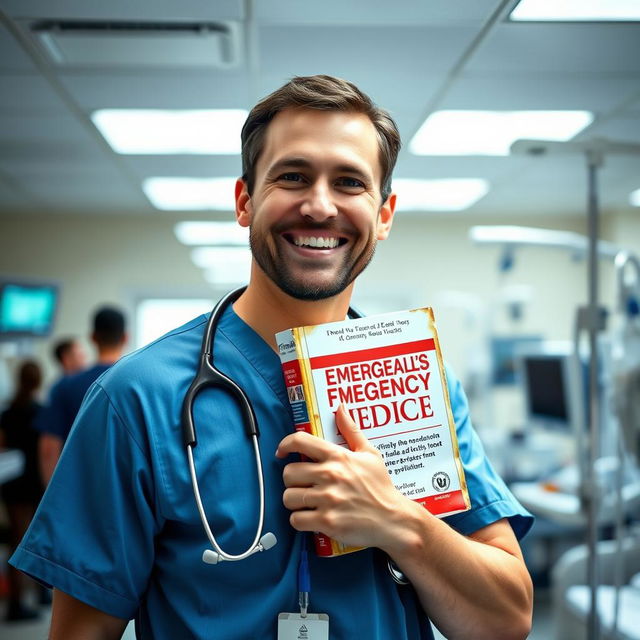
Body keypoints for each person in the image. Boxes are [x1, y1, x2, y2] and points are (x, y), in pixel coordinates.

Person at [11, 75, 534, 639]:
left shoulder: (422, 384)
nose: (318, 205)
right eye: (293, 176)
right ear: (245, 200)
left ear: (384, 216)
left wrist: (398, 520)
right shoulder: (135, 399)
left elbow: (505, 621)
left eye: (350, 182)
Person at [37, 306, 127, 484]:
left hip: (77, 490)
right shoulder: (139, 384)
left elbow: (49, 448)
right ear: (126, 337)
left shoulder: (65, 385)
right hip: (126, 492)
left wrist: (52, 498)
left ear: (92, 337)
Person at [0, 360, 45, 621]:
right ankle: (29, 598)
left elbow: (2, 445)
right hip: (34, 484)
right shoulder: (41, 411)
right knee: (35, 541)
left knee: (16, 540)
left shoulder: (8, 412)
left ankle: (18, 599)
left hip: (12, 484)